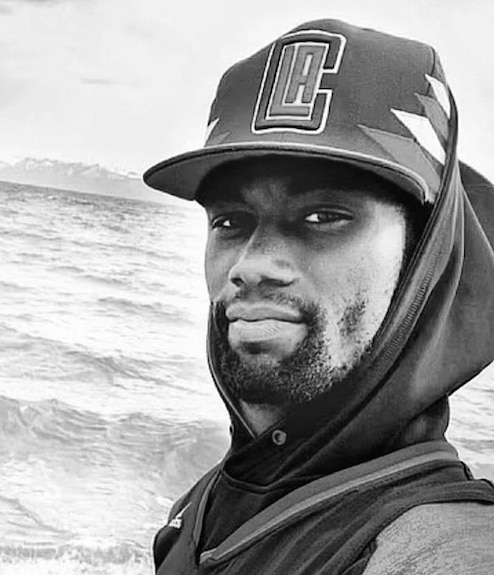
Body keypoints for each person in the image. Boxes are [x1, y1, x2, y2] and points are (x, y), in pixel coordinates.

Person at [143, 19, 494, 574]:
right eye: (231, 221)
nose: (252, 265)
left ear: (423, 255)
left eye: (324, 216)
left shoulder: (439, 549)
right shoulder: (207, 503)